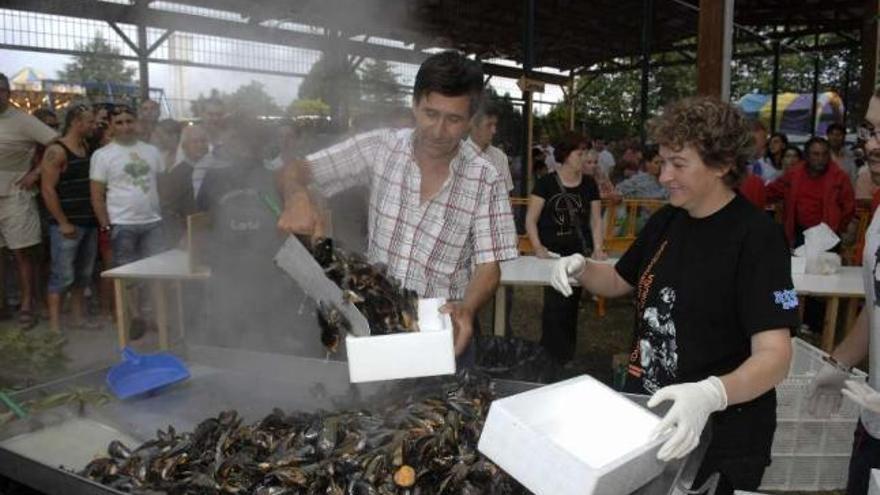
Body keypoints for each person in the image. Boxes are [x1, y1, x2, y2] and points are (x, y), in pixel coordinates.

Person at [550, 96, 797, 493]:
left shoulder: (756, 238)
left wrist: (711, 393)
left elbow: (776, 356)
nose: (664, 176)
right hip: (650, 420)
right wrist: (581, 268)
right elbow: (618, 281)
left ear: (721, 165)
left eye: (678, 164)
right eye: (662, 161)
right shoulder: (668, 220)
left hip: (722, 437)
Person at [277, 51, 519, 360]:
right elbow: (295, 170)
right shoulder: (381, 147)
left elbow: (489, 266)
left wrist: (468, 308)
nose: (439, 130)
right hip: (373, 324)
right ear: (415, 104)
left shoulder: (486, 178)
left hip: (443, 332)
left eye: (454, 119)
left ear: (471, 120)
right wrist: (296, 196)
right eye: (431, 114)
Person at [806, 90, 880, 495]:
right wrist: (842, 360)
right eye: (871, 130)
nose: (871, 143)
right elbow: (877, 304)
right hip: (873, 421)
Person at [525, 132, 605, 364]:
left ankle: (564, 355)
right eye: (580, 153)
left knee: (570, 305)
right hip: (552, 256)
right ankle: (550, 354)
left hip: (579, 255)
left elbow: (596, 220)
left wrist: (598, 248)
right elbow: (531, 219)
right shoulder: (546, 183)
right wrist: (538, 246)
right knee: (554, 306)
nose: (585, 158)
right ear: (567, 156)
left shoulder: (589, 184)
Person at [90, 104, 164, 339]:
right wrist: (105, 224)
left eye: (129, 121)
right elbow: (97, 194)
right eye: (119, 122)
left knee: (156, 273)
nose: (125, 126)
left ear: (136, 123)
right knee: (128, 275)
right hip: (122, 223)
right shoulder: (102, 155)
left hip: (153, 221)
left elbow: (160, 184)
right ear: (111, 126)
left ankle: (154, 316)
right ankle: (135, 317)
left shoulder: (152, 151)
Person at [0, 72, 59, 328]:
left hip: (15, 194)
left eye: (1, 90)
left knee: (23, 251)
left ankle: (27, 304)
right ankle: (2, 304)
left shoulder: (22, 120)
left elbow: (57, 144)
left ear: (8, 93)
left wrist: (36, 173)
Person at [39, 104, 100, 332]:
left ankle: (77, 318)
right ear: (76, 122)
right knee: (62, 275)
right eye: (90, 122)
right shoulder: (57, 150)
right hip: (67, 223)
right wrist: (63, 222)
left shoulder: (85, 146)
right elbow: (47, 189)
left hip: (88, 221)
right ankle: (55, 327)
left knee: (83, 275)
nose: (94, 126)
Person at [767, 136, 856, 248]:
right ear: (807, 156)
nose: (821, 158)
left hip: (828, 235)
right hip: (799, 233)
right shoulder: (793, 175)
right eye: (816, 154)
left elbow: (849, 206)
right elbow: (771, 192)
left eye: (824, 154)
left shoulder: (839, 177)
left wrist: (838, 228)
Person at [158, 124, 204, 248]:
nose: (200, 145)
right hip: (187, 236)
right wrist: (182, 235)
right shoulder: (177, 174)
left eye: (203, 141)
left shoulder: (211, 168)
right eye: (195, 142)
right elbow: (168, 211)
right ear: (184, 146)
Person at [466, 99, 514, 193]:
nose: (494, 131)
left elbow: (506, 198)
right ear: (473, 125)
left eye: (495, 125)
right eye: (488, 125)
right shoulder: (455, 155)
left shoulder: (500, 157)